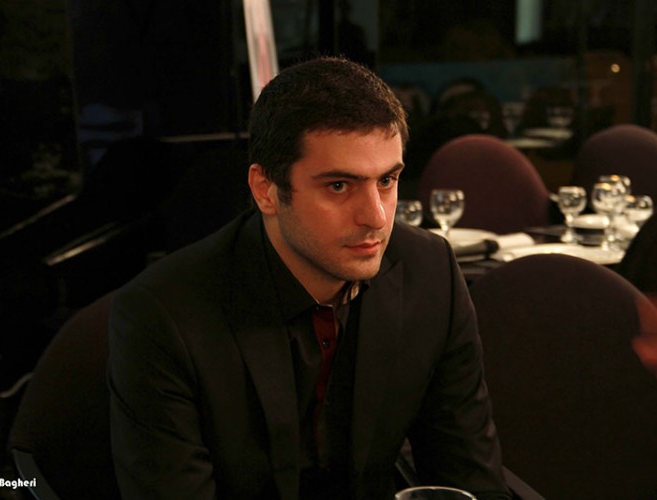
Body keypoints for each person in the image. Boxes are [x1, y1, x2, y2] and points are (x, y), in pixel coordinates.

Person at [108, 56, 511, 499]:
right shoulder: (162, 315)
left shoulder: (429, 272)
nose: (376, 217)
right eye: (339, 186)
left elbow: (468, 476)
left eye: (387, 181)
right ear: (266, 190)